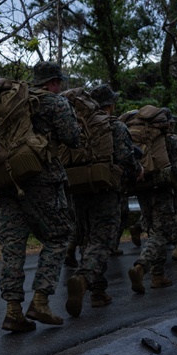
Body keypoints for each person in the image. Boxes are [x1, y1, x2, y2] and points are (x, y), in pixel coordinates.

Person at [0, 61, 79, 332]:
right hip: (41, 180)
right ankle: (40, 300)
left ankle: (12, 311)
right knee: (58, 237)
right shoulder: (56, 103)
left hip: (8, 180)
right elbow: (72, 137)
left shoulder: (11, 101)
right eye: (59, 82)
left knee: (12, 244)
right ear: (53, 82)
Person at [65, 84, 141, 315]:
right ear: (109, 105)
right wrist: (138, 170)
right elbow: (126, 157)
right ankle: (83, 278)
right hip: (106, 191)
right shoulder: (114, 126)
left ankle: (99, 292)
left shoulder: (75, 126)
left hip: (77, 188)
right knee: (104, 241)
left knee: (87, 238)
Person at [127, 107, 177, 293]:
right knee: (162, 233)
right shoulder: (170, 141)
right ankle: (141, 266)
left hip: (142, 189)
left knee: (152, 231)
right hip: (162, 190)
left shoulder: (137, 140)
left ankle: (158, 275)